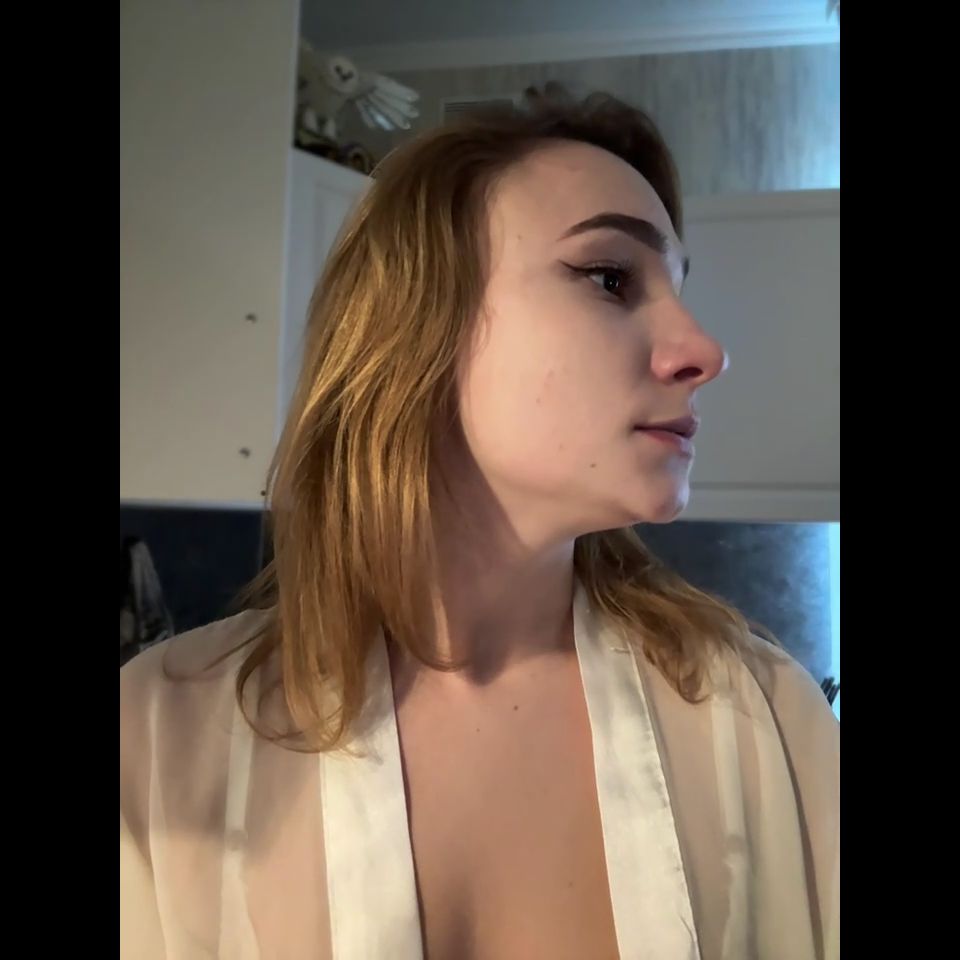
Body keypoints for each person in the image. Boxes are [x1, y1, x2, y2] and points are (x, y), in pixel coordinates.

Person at [120, 84, 839, 960]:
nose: (706, 351)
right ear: (418, 327)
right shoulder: (154, 737)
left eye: (679, 288)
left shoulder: (768, 722)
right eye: (611, 278)